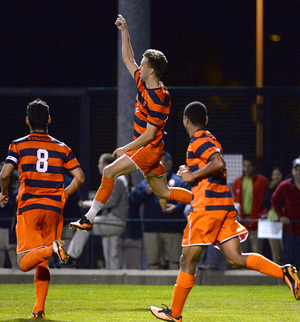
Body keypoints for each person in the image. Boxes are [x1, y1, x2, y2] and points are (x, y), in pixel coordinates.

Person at [150, 101, 300, 322]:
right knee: (235, 258)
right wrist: (191, 173)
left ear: (186, 120)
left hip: (208, 210)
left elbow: (218, 162)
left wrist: (191, 175)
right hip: (223, 207)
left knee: (187, 259)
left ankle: (175, 313)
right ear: (206, 120)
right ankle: (284, 271)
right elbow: (209, 174)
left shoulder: (198, 141)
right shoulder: (209, 138)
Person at [69, 14, 192, 233]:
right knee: (164, 192)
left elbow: (149, 134)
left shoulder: (160, 97)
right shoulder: (144, 84)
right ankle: (202, 200)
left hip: (148, 149)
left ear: (151, 70)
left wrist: (125, 148)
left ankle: (88, 218)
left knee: (108, 171)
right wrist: (125, 31)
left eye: (143, 65)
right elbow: (128, 59)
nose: (140, 68)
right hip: (147, 149)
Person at [0, 98, 85, 318]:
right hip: (54, 209)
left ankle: (52, 249)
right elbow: (80, 178)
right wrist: (64, 194)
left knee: (23, 262)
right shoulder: (62, 147)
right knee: (41, 260)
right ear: (48, 120)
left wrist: (4, 192)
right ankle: (39, 309)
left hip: (29, 207)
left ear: (27, 121)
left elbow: (4, 174)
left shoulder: (18, 144)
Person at [67, 153, 129, 269]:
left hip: (115, 221)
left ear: (106, 164)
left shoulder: (117, 179)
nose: (98, 166)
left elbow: (111, 201)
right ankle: (114, 281)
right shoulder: (117, 177)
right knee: (111, 254)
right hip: (111, 220)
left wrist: (90, 204)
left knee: (83, 225)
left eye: (100, 163)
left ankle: (72, 256)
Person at [131, 152, 189, 270]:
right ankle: (154, 288)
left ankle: (174, 287)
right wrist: (145, 192)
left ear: (171, 163)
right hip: (152, 228)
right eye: (160, 160)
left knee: (174, 261)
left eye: (166, 160)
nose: (163, 162)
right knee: (153, 262)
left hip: (173, 227)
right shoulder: (149, 180)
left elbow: (188, 198)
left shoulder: (178, 181)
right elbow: (134, 200)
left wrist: (176, 208)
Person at [231, 156, 269, 254]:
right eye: (245, 166)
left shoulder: (262, 181)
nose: (247, 168)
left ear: (254, 167)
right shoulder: (237, 182)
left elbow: (267, 199)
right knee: (242, 250)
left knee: (257, 250)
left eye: (249, 166)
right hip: (241, 220)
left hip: (256, 220)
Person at [271, 158, 300, 270]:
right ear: (292, 172)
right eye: (296, 170)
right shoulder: (285, 185)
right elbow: (274, 199)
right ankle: (287, 283)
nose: (298, 172)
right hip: (290, 229)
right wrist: (281, 215)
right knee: (288, 260)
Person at [262, 167, 284, 264]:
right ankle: (276, 276)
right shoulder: (269, 187)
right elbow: (265, 204)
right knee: (275, 252)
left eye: (278, 174)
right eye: (274, 175)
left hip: (283, 220)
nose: (276, 177)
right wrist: (270, 189)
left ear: (282, 176)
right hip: (271, 221)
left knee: (284, 250)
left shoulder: (286, 187)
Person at [0, 161, 18, 268]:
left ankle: (21, 282)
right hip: (1, 227)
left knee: (15, 260)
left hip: (12, 228)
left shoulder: (14, 190)